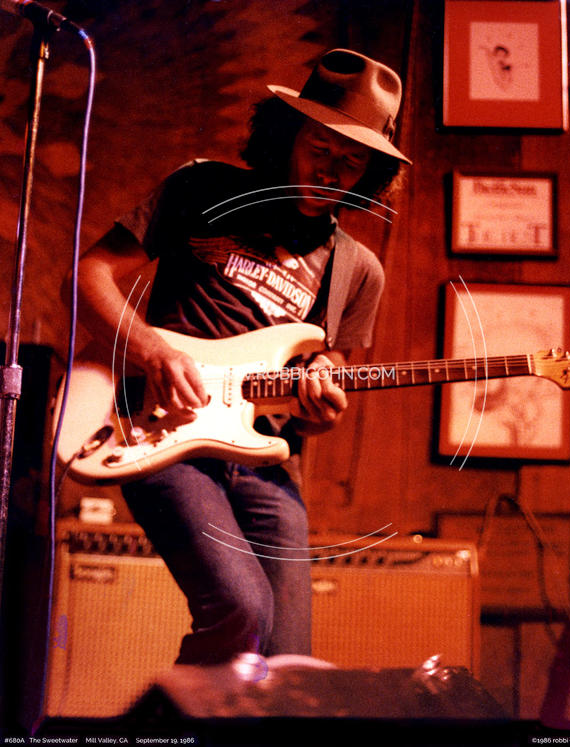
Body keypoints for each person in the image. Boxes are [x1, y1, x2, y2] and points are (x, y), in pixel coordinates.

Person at [75, 48, 411, 664]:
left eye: (352, 160)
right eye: (320, 146)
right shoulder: (203, 188)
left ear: (370, 172)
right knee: (241, 609)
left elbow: (322, 382)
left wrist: (321, 406)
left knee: (285, 661)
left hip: (263, 459)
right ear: (289, 134)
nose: (331, 169)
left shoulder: (359, 269)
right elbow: (91, 273)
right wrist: (150, 348)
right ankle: (168, 716)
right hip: (160, 431)